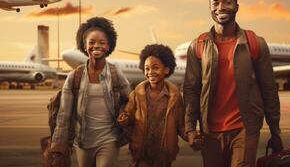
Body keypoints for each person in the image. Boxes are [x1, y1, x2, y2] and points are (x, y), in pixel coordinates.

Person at [183, 0, 283, 167]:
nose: (221, 7)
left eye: (227, 2)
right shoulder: (197, 45)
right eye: (215, 3)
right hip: (209, 131)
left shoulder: (255, 43)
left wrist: (275, 131)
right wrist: (190, 128)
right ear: (210, 8)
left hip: (245, 129)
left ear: (237, 7)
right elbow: (191, 89)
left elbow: (269, 88)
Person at [50, 17, 130, 167]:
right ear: (84, 46)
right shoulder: (74, 77)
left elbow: (129, 101)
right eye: (91, 42)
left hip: (109, 139)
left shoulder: (116, 74)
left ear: (108, 46)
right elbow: (64, 115)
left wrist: (124, 113)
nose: (96, 46)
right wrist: (58, 147)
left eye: (101, 42)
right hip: (82, 141)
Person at [118, 44, 187, 167]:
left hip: (164, 156)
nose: (150, 72)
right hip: (141, 154)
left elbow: (180, 124)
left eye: (155, 68)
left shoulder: (175, 97)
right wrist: (125, 119)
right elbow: (129, 115)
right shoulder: (136, 95)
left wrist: (191, 136)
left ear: (166, 69)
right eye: (147, 68)